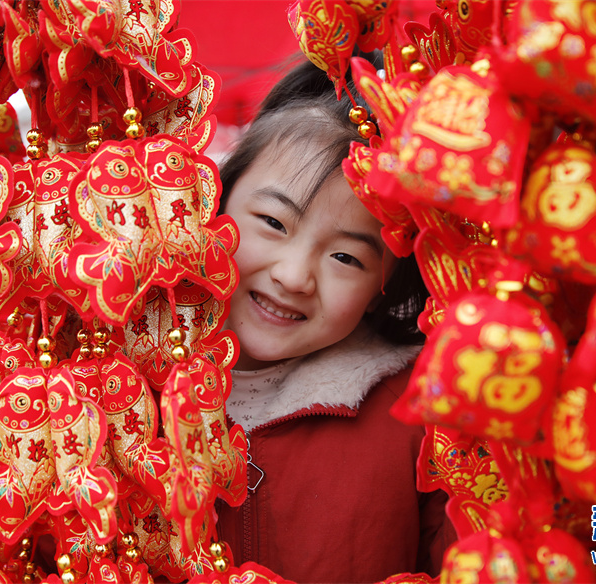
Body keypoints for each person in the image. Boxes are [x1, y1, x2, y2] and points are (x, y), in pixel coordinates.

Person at [214, 57, 456, 583]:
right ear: (218, 199)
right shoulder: (133, 394)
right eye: (274, 222)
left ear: (381, 290)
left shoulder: (421, 418)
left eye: (346, 258)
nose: (295, 276)